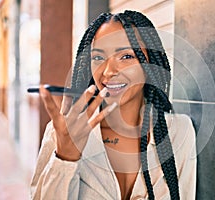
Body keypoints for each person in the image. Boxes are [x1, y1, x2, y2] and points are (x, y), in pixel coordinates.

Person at [30, 10, 196, 200]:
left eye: (126, 56)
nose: (108, 72)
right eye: (98, 57)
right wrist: (65, 159)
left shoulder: (179, 132)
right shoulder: (63, 133)